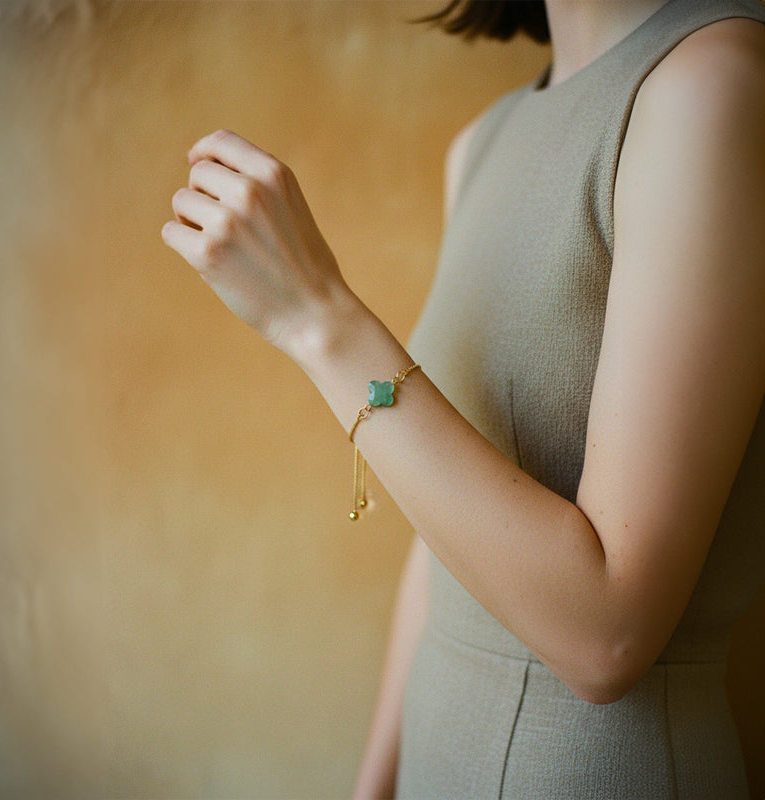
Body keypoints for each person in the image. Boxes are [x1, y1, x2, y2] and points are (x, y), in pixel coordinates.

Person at [161, 0, 765, 796]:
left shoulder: (714, 86)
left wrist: (316, 319)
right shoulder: (482, 142)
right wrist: (377, 782)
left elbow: (608, 636)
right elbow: (448, 529)